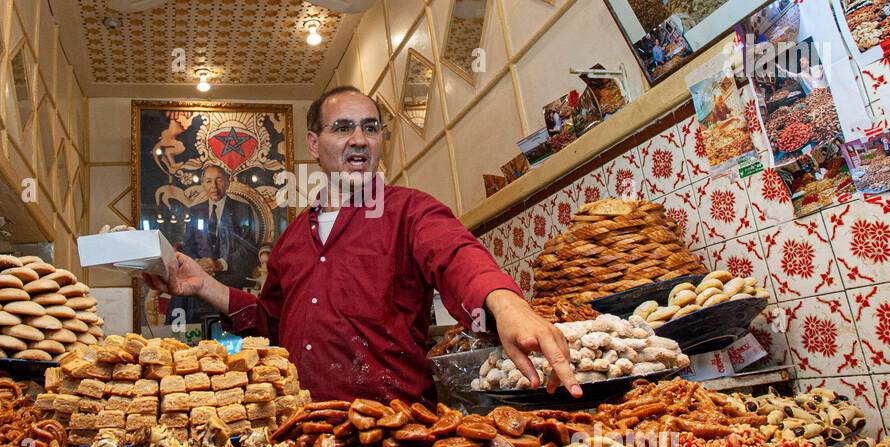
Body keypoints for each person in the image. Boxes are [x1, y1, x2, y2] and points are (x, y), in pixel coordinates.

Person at [150, 86, 580, 404]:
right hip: (304, 428)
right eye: (343, 128)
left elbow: (456, 255)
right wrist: (204, 284)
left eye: (370, 128)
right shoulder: (291, 241)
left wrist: (507, 304)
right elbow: (273, 323)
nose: (359, 139)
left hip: (396, 433)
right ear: (315, 145)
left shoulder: (409, 212)